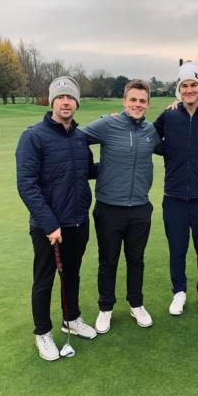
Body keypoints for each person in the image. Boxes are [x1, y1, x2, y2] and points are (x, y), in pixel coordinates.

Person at [16, 76, 97, 362]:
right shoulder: (33, 137)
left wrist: (120, 160)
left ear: (76, 102)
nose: (66, 102)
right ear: (52, 101)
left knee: (72, 274)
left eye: (71, 98)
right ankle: (42, 332)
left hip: (78, 221)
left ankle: (71, 318)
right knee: (44, 279)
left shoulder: (79, 137)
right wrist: (50, 224)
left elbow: (86, 170)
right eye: (60, 97)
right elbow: (27, 184)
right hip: (48, 227)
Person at [82, 79, 161, 334]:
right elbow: (77, 138)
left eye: (142, 101)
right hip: (108, 207)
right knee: (108, 260)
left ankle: (136, 304)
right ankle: (105, 308)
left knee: (136, 259)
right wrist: (92, 170)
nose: (137, 104)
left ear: (147, 104)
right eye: (133, 100)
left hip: (140, 207)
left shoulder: (151, 131)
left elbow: (172, 147)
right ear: (124, 101)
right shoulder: (108, 124)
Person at [154, 62, 198, 316]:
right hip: (174, 197)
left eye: (194, 85)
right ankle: (179, 292)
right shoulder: (169, 116)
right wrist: (169, 149)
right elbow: (148, 139)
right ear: (179, 90)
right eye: (185, 85)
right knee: (177, 249)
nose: (189, 90)